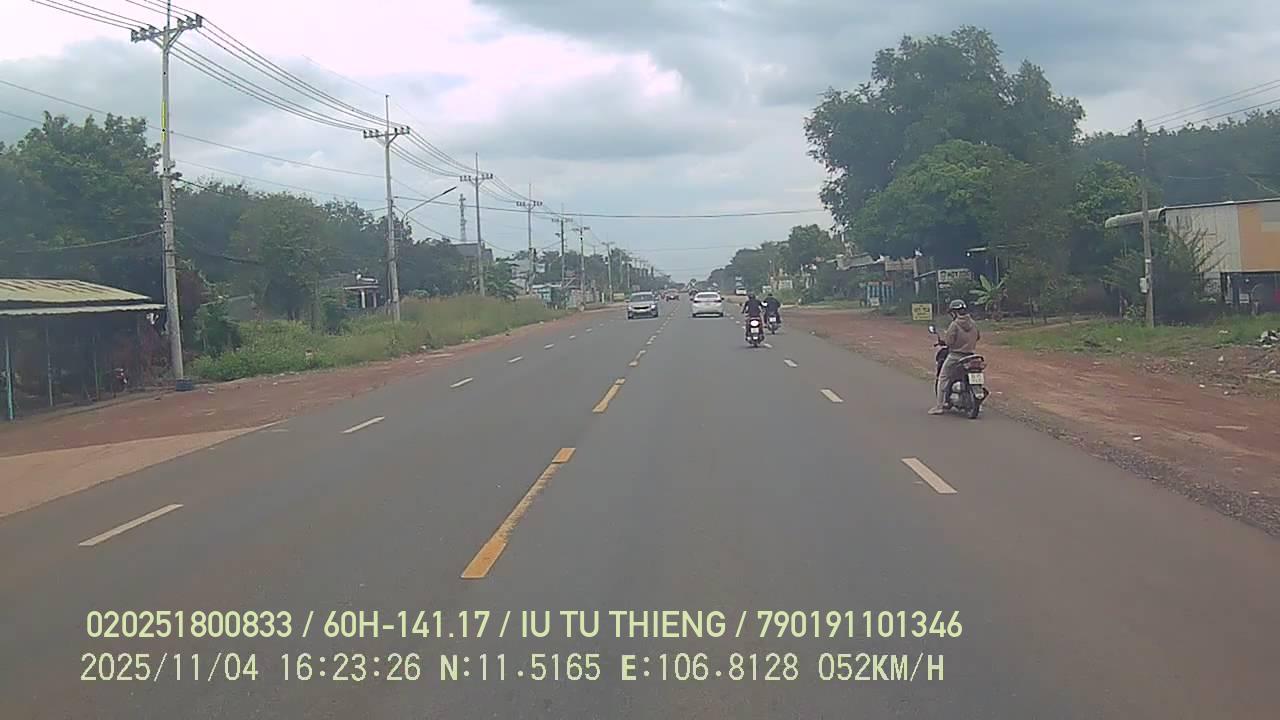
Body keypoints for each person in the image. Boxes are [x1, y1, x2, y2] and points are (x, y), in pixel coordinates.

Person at [930, 299, 981, 415]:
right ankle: (978, 402)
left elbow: (949, 342)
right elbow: (978, 337)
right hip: (971, 356)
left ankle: (939, 406)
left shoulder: (954, 324)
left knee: (943, 377)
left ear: (954, 312)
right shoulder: (973, 323)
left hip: (955, 356)